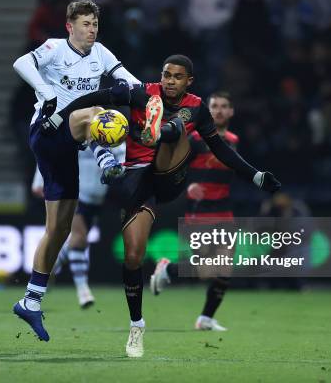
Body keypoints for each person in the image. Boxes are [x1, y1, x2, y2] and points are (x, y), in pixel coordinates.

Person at [50, 54, 281, 357]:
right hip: (137, 181)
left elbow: (220, 148)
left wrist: (255, 175)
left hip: (171, 174)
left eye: (177, 77)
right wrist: (60, 114)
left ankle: (160, 130)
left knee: (179, 128)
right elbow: (99, 96)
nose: (170, 81)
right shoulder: (140, 92)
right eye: (166, 75)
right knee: (133, 255)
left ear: (189, 81)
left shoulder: (197, 106)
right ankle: (137, 326)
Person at [11, 0, 139, 342]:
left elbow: (130, 81)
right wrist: (44, 88)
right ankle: (106, 160)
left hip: (68, 146)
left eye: (95, 23)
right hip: (47, 129)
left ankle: (30, 301)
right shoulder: (54, 48)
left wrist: (153, 98)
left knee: (59, 229)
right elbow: (21, 62)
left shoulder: (101, 53)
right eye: (85, 23)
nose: (92, 29)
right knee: (97, 109)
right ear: (70, 26)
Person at [150, 91, 238, 332]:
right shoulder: (195, 139)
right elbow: (173, 167)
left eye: (224, 106)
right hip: (199, 211)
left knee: (225, 268)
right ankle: (167, 269)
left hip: (224, 210)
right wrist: (188, 185)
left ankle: (206, 319)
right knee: (207, 270)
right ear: (207, 111)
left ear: (231, 112)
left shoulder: (233, 140)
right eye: (214, 106)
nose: (219, 110)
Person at [32, 143, 126, 309]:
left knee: (75, 243)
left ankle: (48, 269)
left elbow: (124, 165)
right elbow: (52, 153)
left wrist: (119, 170)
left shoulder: (113, 136)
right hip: (74, 193)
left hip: (96, 200)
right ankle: (83, 290)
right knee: (79, 239)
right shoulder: (77, 133)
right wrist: (39, 180)